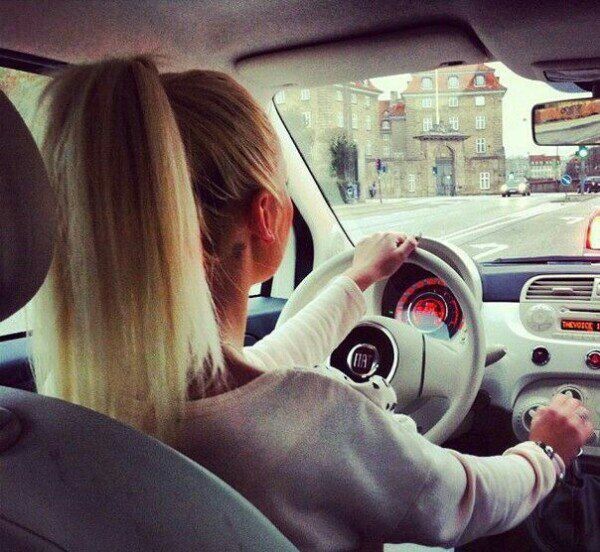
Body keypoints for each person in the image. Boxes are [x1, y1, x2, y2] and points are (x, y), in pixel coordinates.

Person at [31, 56, 593, 551]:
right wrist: (546, 452)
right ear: (267, 215)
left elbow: (263, 368)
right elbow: (466, 500)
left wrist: (357, 280)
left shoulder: (63, 400)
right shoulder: (322, 420)